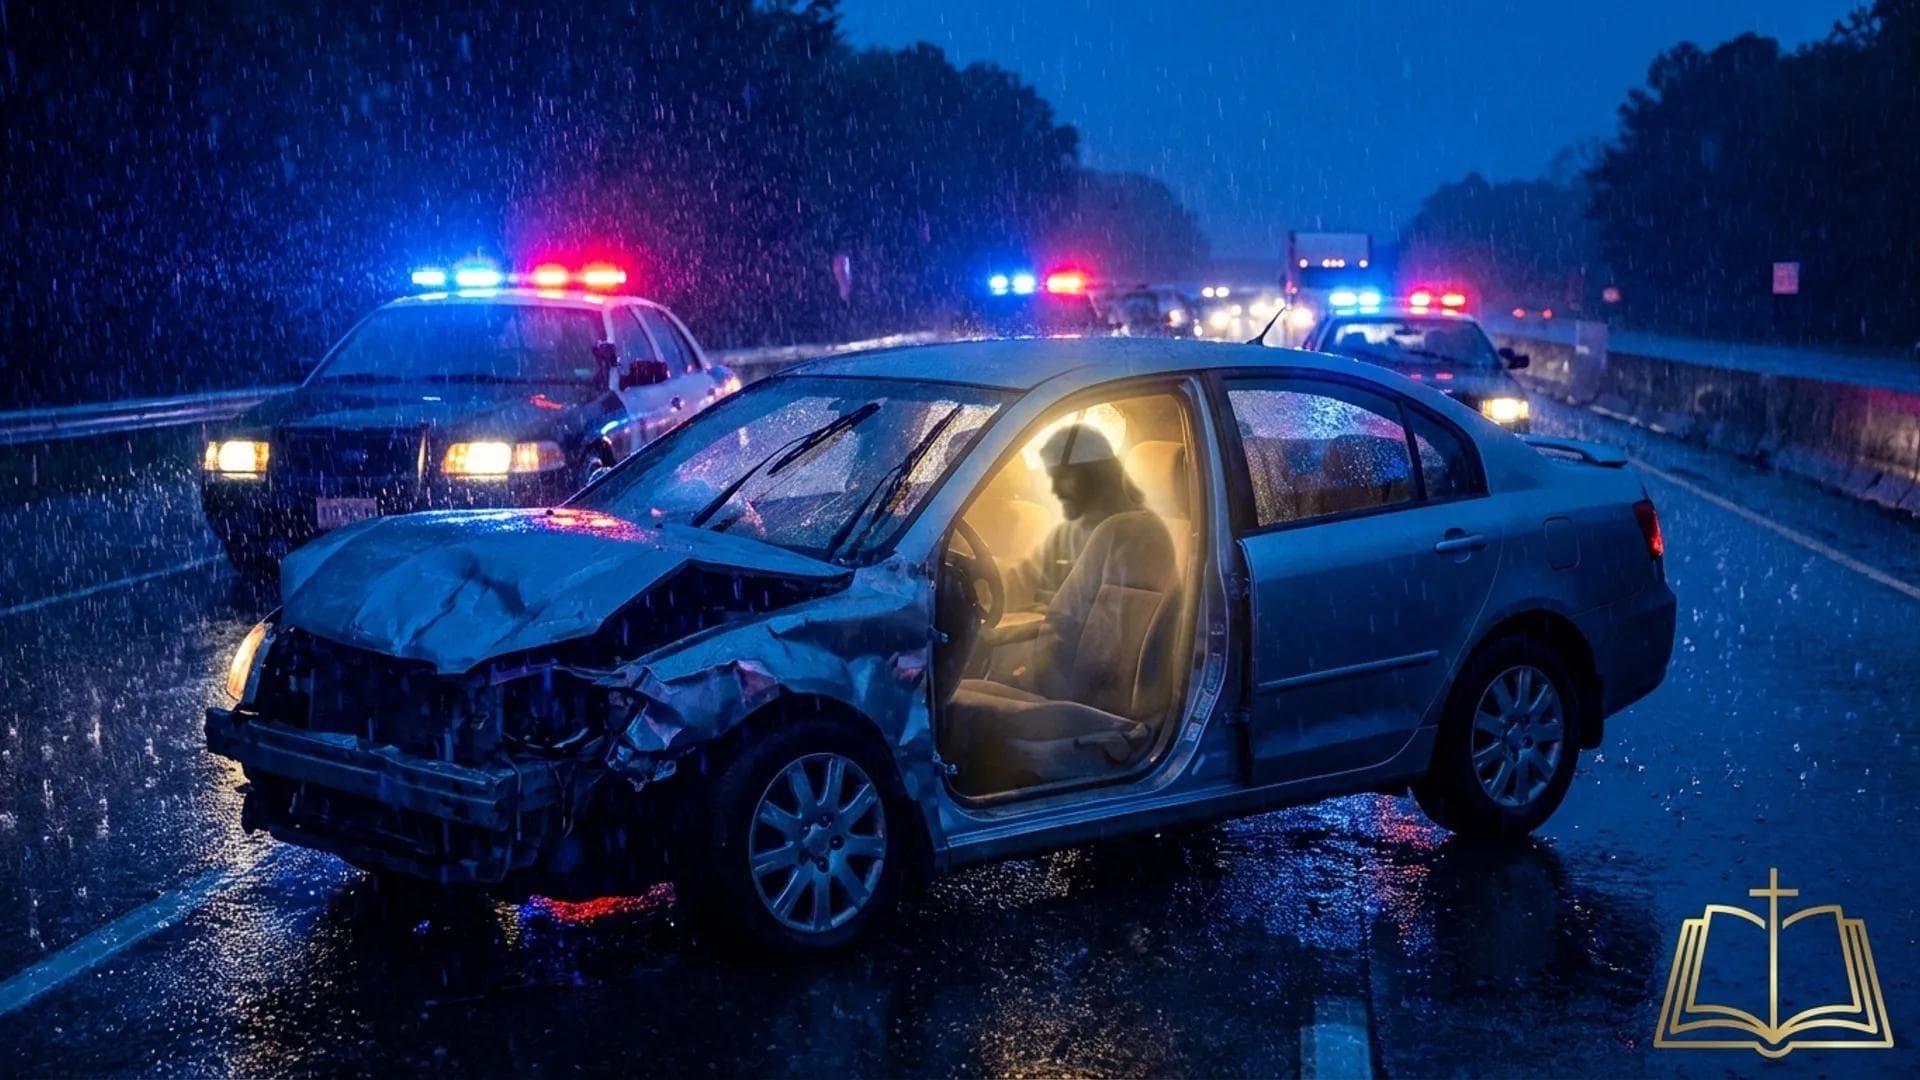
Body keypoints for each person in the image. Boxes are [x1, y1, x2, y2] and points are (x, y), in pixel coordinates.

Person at [1005, 423, 1144, 607]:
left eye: (1063, 478)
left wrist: (1046, 608)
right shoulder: (1065, 532)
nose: (1055, 490)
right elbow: (1020, 582)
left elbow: (1108, 622)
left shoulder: (1138, 539)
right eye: (1052, 477)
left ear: (1095, 476)